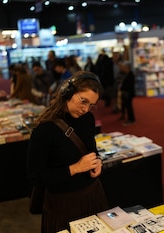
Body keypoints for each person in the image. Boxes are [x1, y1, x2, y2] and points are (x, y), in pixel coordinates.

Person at [27, 71, 108, 233]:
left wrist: (97, 160)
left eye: (91, 105)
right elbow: (36, 176)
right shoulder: (45, 129)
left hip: (93, 194)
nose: (85, 109)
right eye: (83, 101)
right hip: (63, 203)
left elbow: (91, 148)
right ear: (67, 93)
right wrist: (75, 168)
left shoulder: (88, 119)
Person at [118, 61, 136, 126]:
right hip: (126, 92)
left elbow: (129, 85)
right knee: (127, 106)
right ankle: (130, 118)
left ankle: (131, 119)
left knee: (129, 106)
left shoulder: (130, 75)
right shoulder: (126, 74)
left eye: (124, 67)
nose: (123, 68)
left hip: (128, 93)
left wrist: (122, 87)